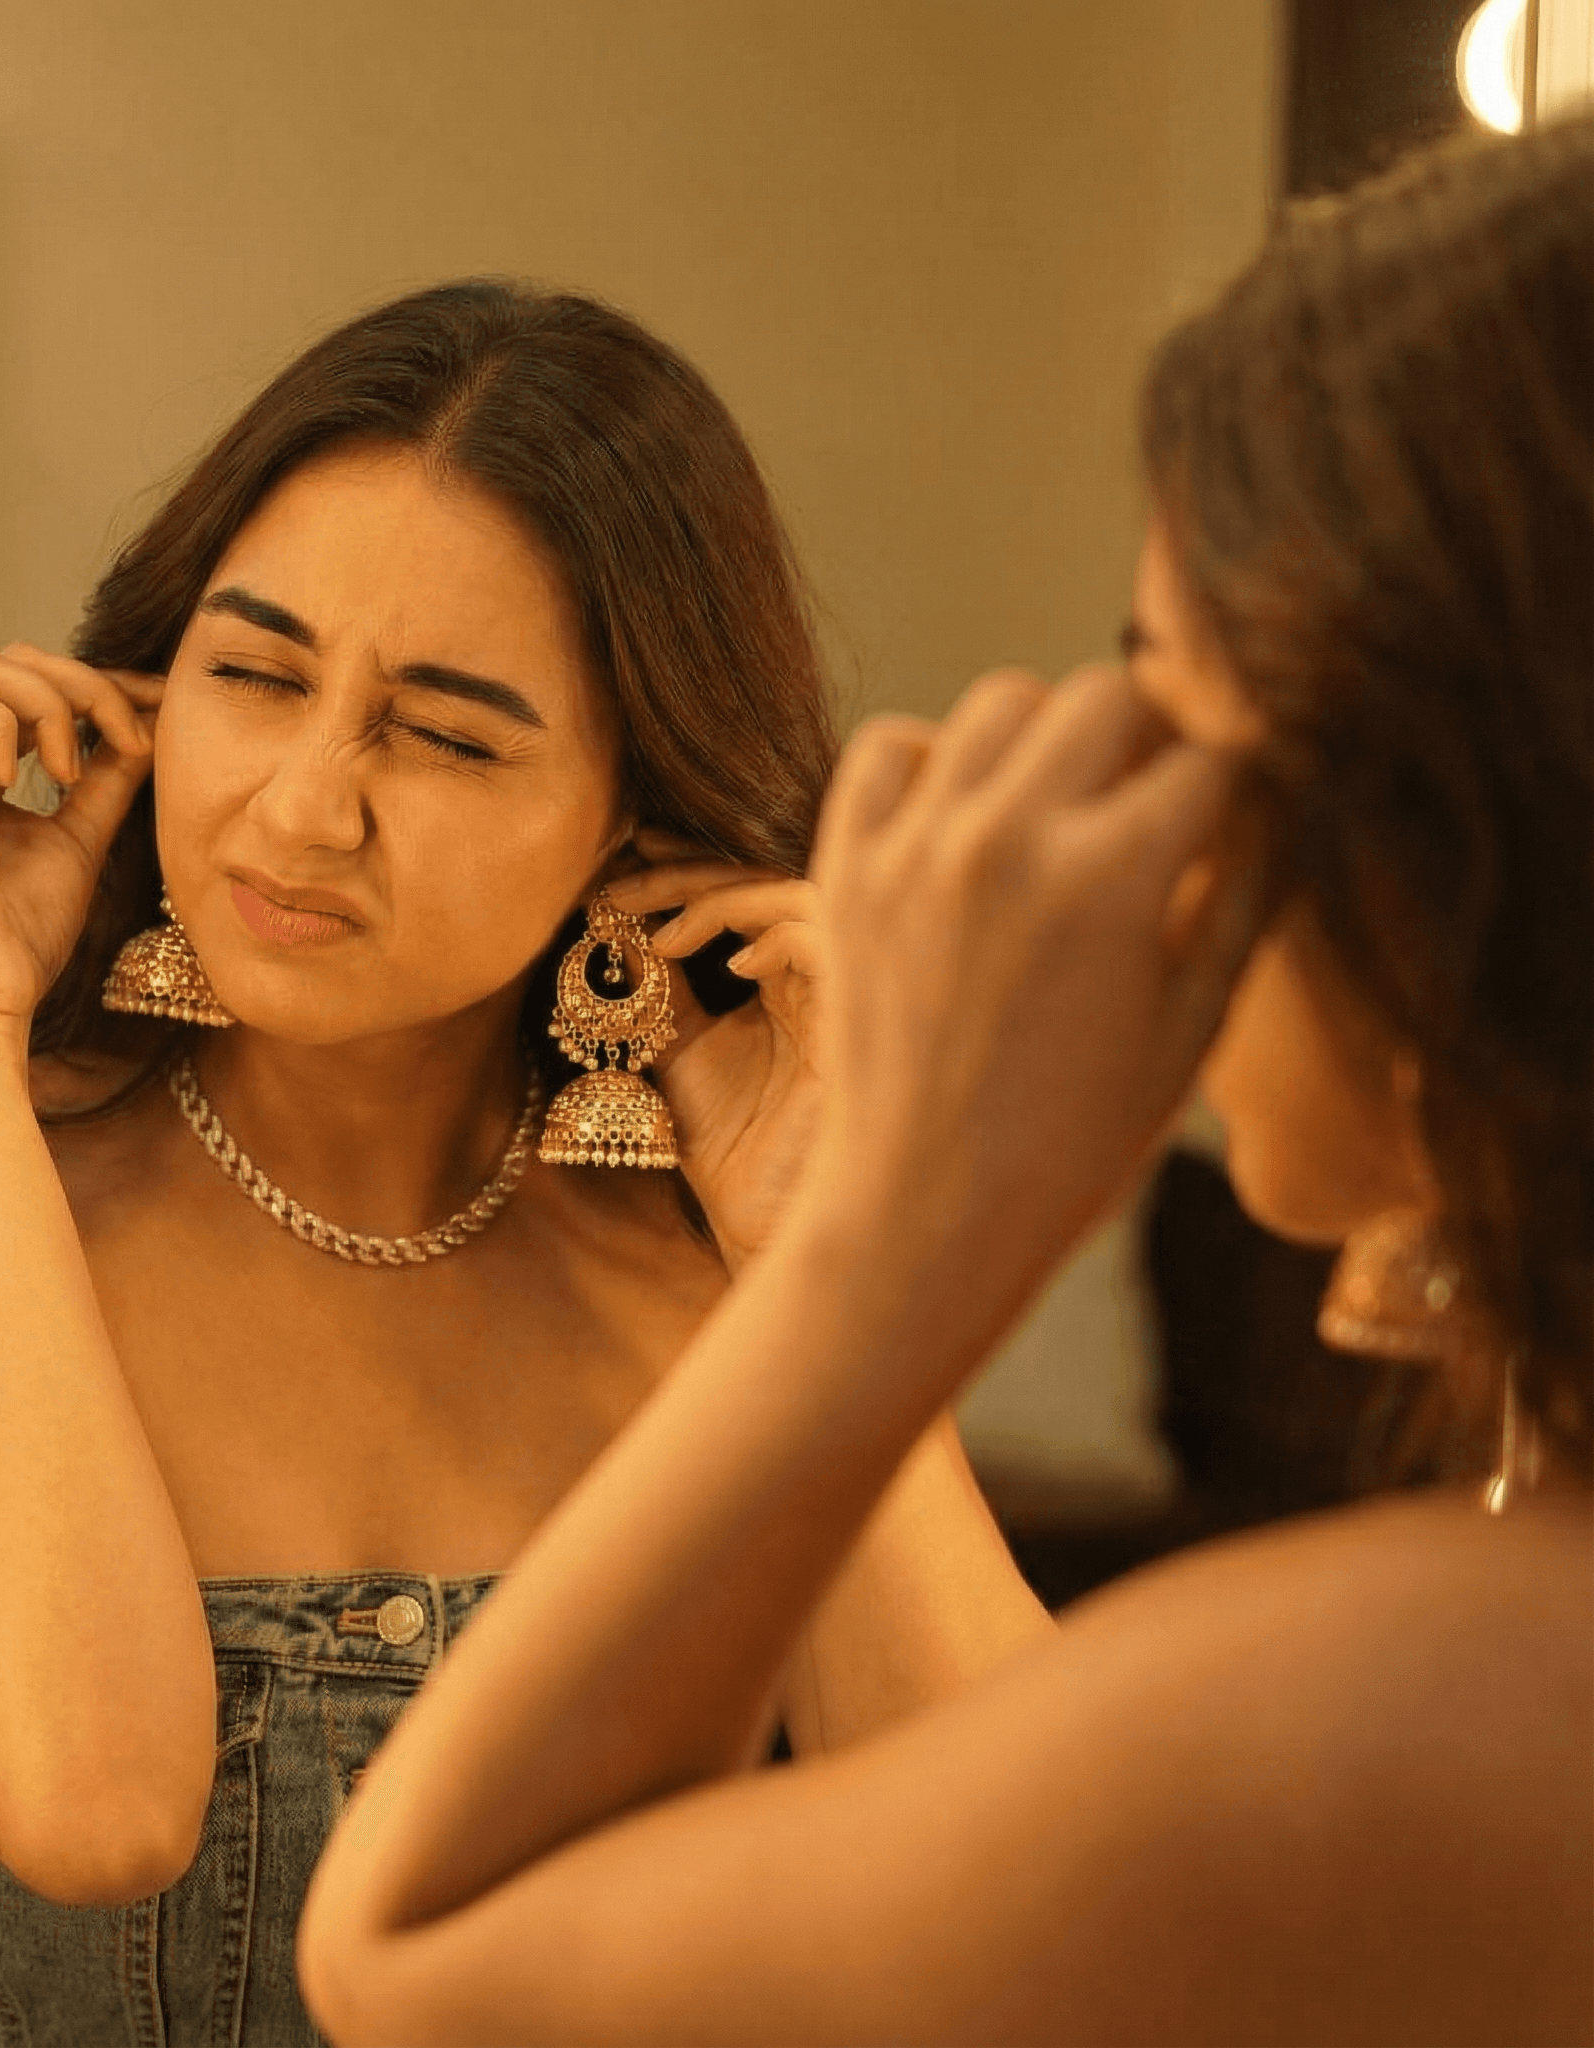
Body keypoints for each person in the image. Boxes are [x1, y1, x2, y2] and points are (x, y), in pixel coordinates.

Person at [297, 121, 1594, 2047]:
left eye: (1168, 698)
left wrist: (900, 1229)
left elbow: (423, 1960)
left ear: (1436, 819)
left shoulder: (1450, 1710)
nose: (1076, 777)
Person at [0, 281, 1050, 2044]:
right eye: (257, 675)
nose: (300, 806)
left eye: (442, 734)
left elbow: (1019, 1918)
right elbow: (91, 1804)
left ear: (635, 816)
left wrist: (827, 1266)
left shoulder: (717, 1267)